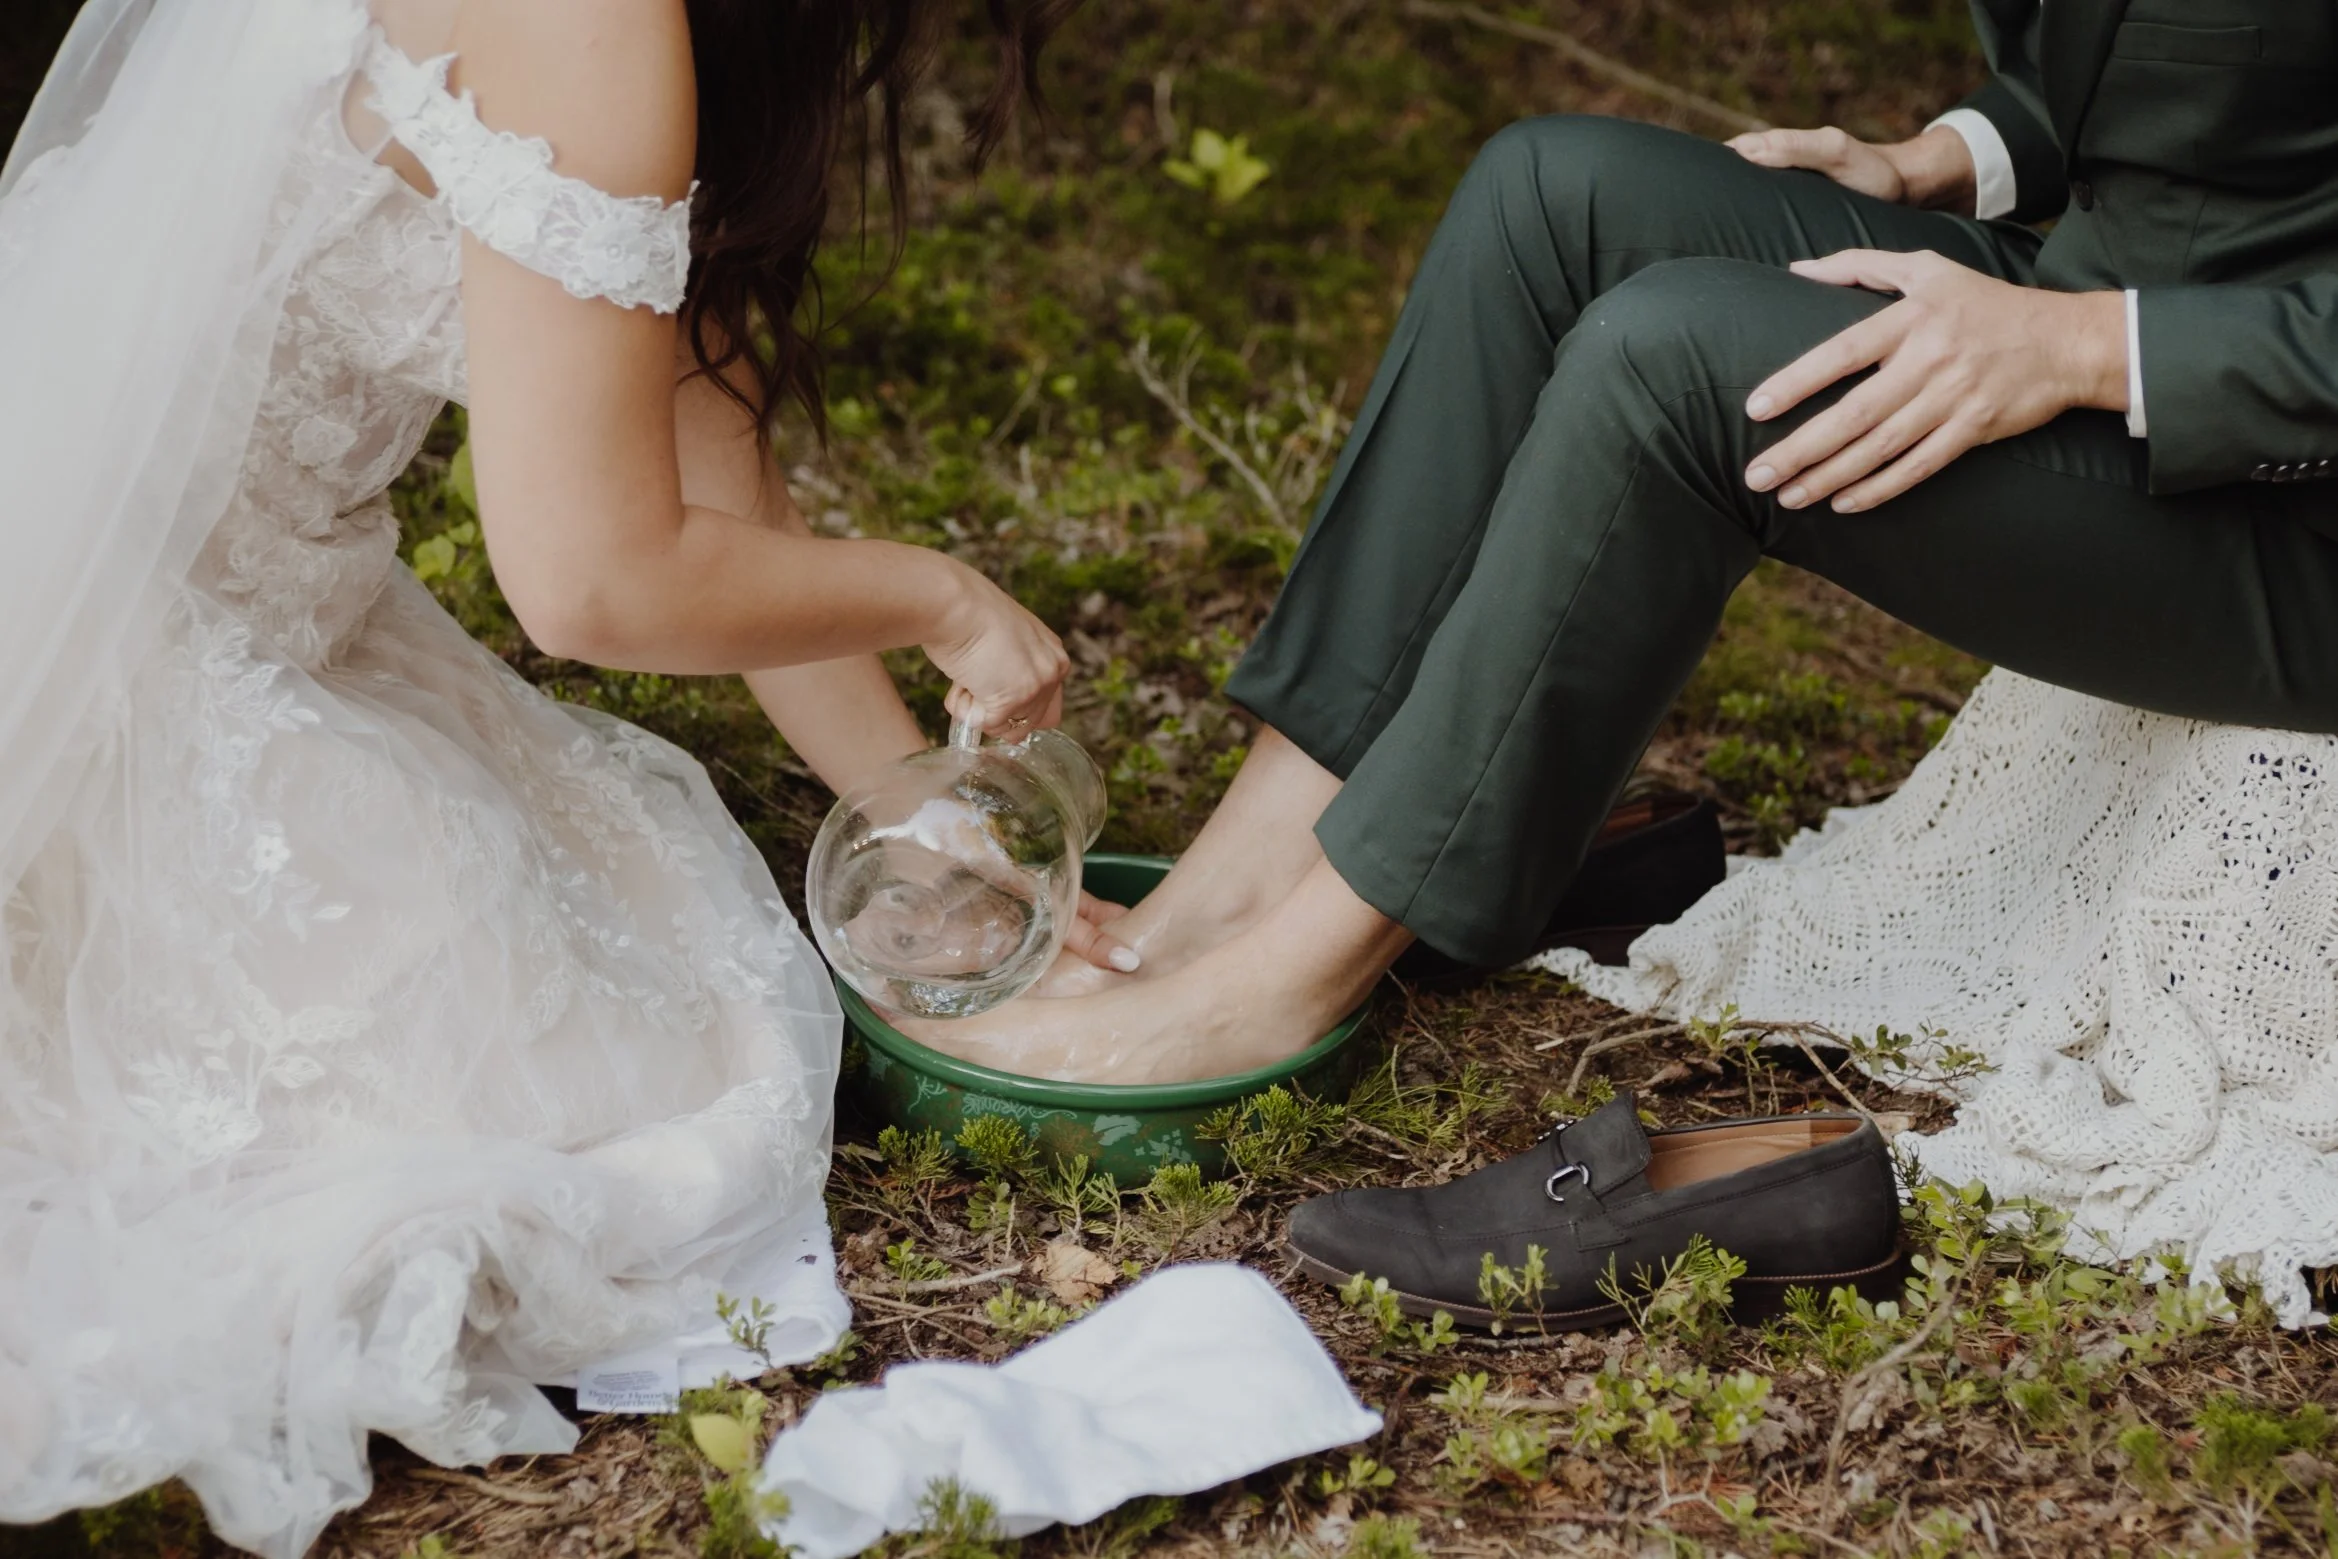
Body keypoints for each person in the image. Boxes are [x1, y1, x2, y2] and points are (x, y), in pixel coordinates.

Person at [912, 1, 2338, 1321]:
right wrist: (1937, 160)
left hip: (2275, 488)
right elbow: (2215, 96)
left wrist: (2086, 345)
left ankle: (1288, 975)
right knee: (1552, 197)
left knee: (1675, 361)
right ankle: (1228, 891)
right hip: (2116, 296)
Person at [0, 0, 1122, 1551]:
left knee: (627, 962)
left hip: (268, 606)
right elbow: (592, 581)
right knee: (584, 1097)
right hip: (128, 663)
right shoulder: (589, 23)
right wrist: (938, 597)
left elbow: (702, 451)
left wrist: (928, 817)